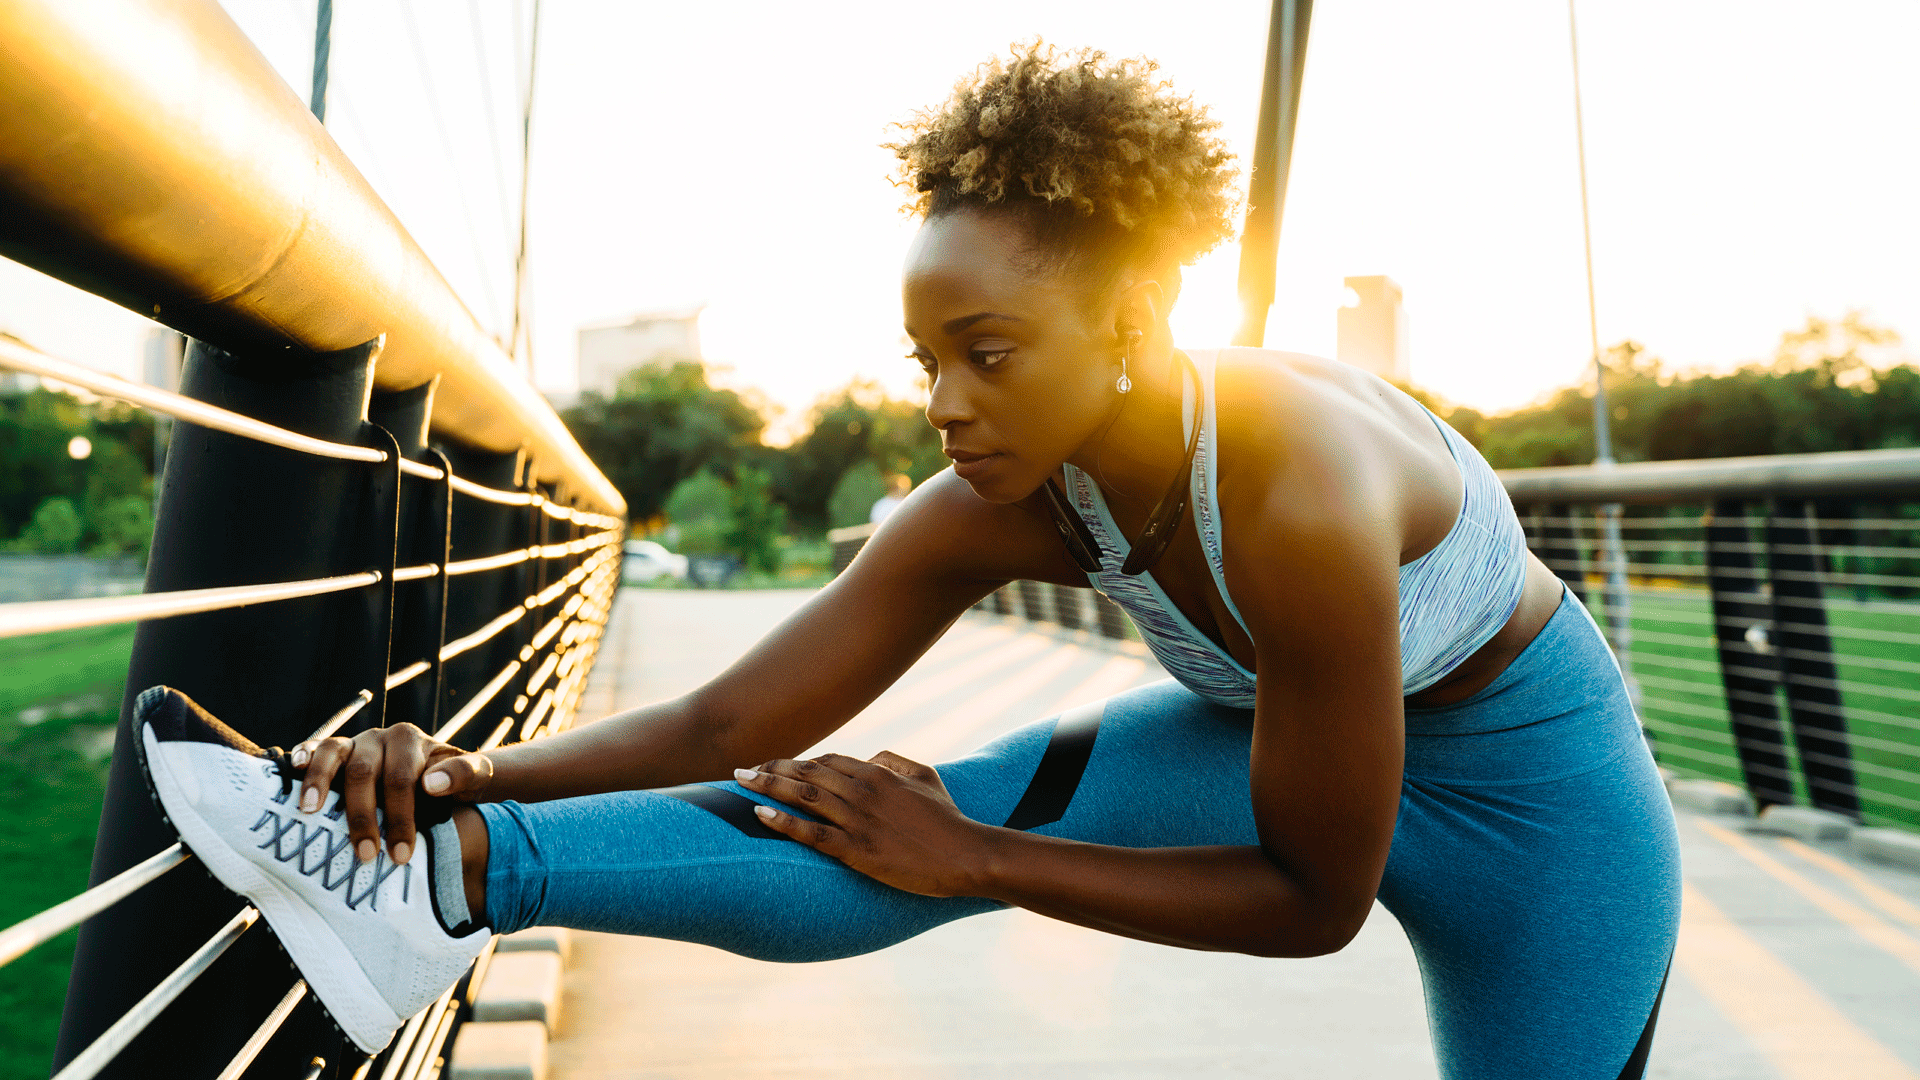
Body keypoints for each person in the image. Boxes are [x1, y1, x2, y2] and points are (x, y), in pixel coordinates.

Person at [137, 43, 1679, 1079]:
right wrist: (465, 777)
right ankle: (432, 881)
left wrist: (986, 865)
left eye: (990, 352)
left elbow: (1312, 900)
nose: (947, 402)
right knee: (867, 812)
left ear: (1133, 329)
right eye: (927, 356)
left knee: (947, 834)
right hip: (1269, 749)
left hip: (1544, 819)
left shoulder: (1300, 493)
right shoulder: (989, 500)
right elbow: (722, 730)